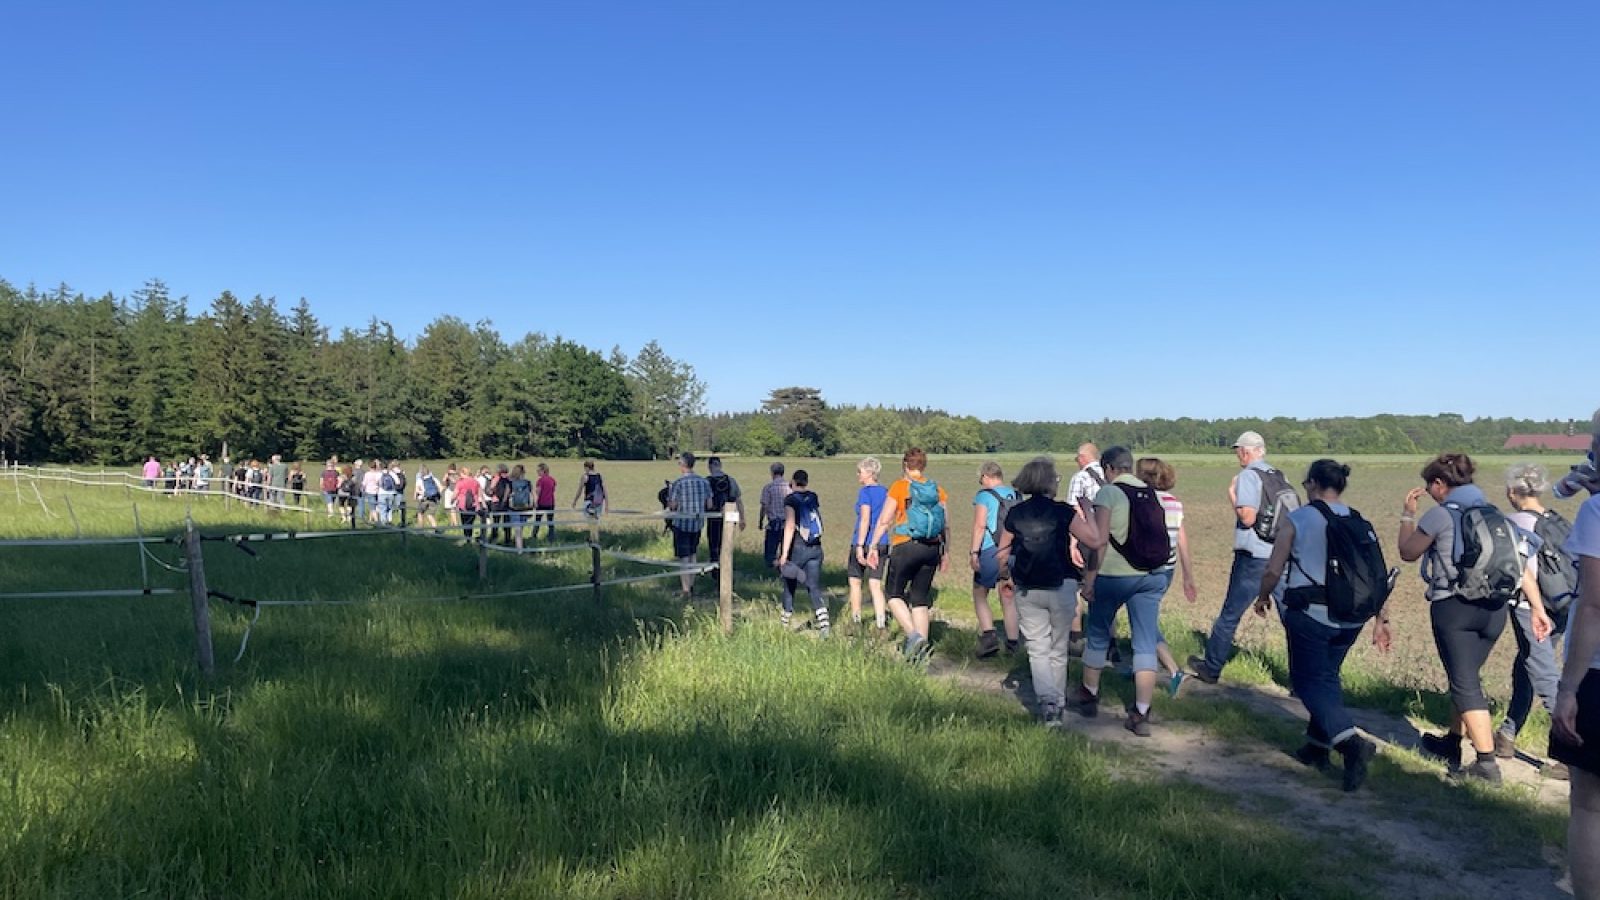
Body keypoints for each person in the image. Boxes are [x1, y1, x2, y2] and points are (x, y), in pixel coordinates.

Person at [1398, 452, 1548, 783]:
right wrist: (1537, 608)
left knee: (1465, 682)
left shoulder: (1441, 515)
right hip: (1494, 611)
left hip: (1454, 608)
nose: (1430, 491)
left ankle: (1485, 764)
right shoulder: (1496, 515)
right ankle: (1452, 742)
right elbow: (1519, 568)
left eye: (1430, 485)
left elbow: (1408, 552)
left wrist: (1407, 515)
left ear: (1440, 484)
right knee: (1466, 676)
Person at [1253, 459, 1390, 791]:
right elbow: (1377, 575)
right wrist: (1381, 619)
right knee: (1327, 679)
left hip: (1312, 614)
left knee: (1308, 682)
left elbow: (1273, 569)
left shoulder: (1299, 519)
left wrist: (1262, 597)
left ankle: (1350, 743)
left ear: (1313, 484)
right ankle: (1316, 748)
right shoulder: (1359, 520)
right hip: (1352, 617)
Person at [995, 456, 1103, 725]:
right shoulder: (1063, 511)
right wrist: (1088, 511)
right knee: (1058, 647)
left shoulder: (1015, 513)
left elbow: (1001, 553)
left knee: (1037, 648)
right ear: (1050, 482)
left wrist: (1006, 574)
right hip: (1062, 584)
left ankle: (1048, 702)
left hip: (1027, 588)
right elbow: (1095, 539)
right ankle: (1058, 702)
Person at [1075, 446, 1172, 736]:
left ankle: (1089, 694)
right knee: (1144, 642)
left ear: (1108, 468)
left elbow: (1100, 540)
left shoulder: (1108, 493)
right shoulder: (1150, 491)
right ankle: (1141, 712)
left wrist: (1089, 579)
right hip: (1151, 576)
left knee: (1098, 634)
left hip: (1115, 575)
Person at [1190, 431, 1288, 684]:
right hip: (1281, 554)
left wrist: (1231, 495)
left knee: (1230, 614)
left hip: (1254, 556)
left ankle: (1211, 668)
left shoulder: (1248, 476)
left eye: (1238, 452)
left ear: (1245, 451)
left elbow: (1247, 517)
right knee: (1291, 619)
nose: (1238, 457)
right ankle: (1301, 682)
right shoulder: (1279, 476)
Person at [1499, 462, 1570, 778]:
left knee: (1543, 673)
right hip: (1563, 605)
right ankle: (1507, 735)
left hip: (1533, 608)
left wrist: (1536, 608)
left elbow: (1522, 571)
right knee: (1525, 666)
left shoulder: (1514, 523)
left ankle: (1571, 754)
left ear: (1514, 492)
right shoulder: (1556, 521)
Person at [1550, 457, 1600, 900]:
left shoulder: (1597, 512)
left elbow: (1594, 605)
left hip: (1598, 670)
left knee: (1589, 805)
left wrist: (1568, 688)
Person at [866, 448, 950, 658]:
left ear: (905, 465)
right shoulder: (936, 489)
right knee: (920, 598)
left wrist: (873, 545)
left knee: (893, 594)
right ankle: (921, 652)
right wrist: (945, 551)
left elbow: (885, 519)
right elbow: (945, 524)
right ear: (924, 465)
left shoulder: (899, 487)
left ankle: (914, 637)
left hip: (906, 545)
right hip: (931, 548)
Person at [1137, 458, 1200, 696]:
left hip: (1145, 569)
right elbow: (1182, 539)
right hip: (1168, 569)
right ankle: (1142, 665)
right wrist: (1188, 575)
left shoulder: (1142, 503)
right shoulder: (1175, 504)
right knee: (1143, 619)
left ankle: (1174, 671)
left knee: (1144, 622)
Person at [970, 461, 1021, 658]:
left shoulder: (984, 496)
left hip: (990, 549)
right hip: (1013, 550)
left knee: (980, 593)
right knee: (1008, 595)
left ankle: (989, 636)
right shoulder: (1016, 495)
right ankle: (1013, 643)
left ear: (986, 476)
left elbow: (980, 525)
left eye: (981, 478)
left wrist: (974, 552)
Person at [777, 469, 829, 635]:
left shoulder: (790, 500)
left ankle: (784, 624)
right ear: (806, 482)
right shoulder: (813, 496)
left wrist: (784, 555)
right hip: (815, 547)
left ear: (792, 482)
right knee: (813, 586)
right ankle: (824, 625)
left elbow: (790, 525)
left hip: (798, 547)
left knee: (789, 585)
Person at [847, 457, 891, 631]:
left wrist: (860, 546)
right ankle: (881, 622)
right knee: (875, 583)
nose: (858, 475)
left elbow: (865, 518)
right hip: (882, 542)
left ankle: (856, 620)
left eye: (861, 472)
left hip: (864, 541)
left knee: (855, 581)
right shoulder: (886, 492)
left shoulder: (865, 493)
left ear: (870, 474)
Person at [666, 452, 712, 597]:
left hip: (682, 524)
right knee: (693, 554)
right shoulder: (704, 482)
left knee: (683, 557)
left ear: (682, 465)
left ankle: (685, 590)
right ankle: (691, 585)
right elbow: (709, 504)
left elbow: (673, 506)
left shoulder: (678, 483)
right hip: (697, 523)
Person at [704, 457, 745, 568]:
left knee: (714, 545)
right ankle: (726, 569)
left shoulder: (707, 481)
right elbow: (739, 501)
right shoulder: (730, 480)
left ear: (710, 466)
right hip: (730, 518)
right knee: (726, 545)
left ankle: (715, 571)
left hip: (713, 519)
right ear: (720, 465)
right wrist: (742, 518)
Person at [759, 462, 790, 568]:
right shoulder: (789, 488)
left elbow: (764, 506)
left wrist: (761, 521)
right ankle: (784, 569)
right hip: (787, 524)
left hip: (773, 523)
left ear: (772, 473)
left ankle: (772, 569)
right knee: (786, 549)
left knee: (770, 551)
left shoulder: (768, 487)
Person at [485, 463, 512, 546]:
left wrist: (491, 488)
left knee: (496, 522)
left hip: (496, 502)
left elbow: (490, 490)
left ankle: (493, 538)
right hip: (506, 503)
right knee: (507, 522)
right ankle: (507, 540)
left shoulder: (495, 478)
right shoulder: (509, 479)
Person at [454, 465, 482, 543]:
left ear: (463, 473)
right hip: (474, 504)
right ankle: (469, 538)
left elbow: (455, 493)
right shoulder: (476, 482)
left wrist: (452, 500)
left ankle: (467, 539)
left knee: (464, 522)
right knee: (470, 523)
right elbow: (479, 493)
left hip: (463, 505)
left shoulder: (460, 482)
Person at [535, 463, 558, 541]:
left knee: (537, 521)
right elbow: (553, 490)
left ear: (543, 471)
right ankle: (551, 537)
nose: (537, 472)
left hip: (541, 503)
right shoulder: (552, 479)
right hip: (550, 503)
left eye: (538, 470)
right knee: (550, 521)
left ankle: (534, 535)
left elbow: (538, 492)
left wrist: (535, 501)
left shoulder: (540, 480)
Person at [361, 460, 382, 524]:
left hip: (370, 491)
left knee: (372, 507)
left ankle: (377, 521)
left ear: (369, 467)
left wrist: (362, 490)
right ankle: (370, 519)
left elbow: (364, 483)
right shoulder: (379, 474)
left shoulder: (367, 474)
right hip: (377, 491)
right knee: (373, 505)